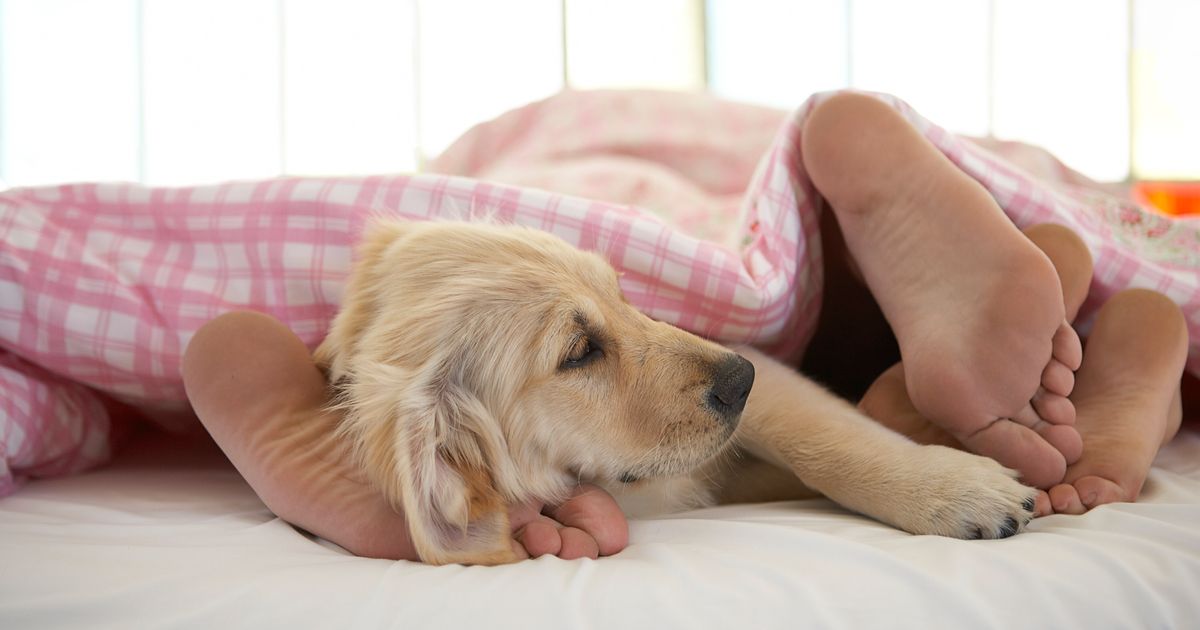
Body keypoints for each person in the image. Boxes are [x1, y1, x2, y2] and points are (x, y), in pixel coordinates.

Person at [180, 92, 1189, 560]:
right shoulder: (439, 381)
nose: (706, 364)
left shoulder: (457, 256)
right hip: (427, 412)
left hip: (649, 182)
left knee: (771, 327)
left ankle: (976, 286)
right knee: (820, 386)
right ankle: (1081, 375)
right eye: (584, 349)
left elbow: (742, 366)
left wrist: (898, 484)